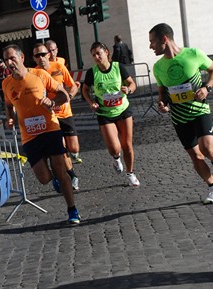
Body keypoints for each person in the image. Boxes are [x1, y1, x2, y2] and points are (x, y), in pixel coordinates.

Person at [2, 43, 80, 224]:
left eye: (12, 58)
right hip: (29, 136)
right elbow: (8, 105)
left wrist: (52, 103)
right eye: (6, 59)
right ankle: (54, 178)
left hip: (50, 128)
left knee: (61, 172)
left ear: (21, 58)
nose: (9, 62)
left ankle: (72, 210)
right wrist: (10, 118)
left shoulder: (39, 75)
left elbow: (63, 95)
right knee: (44, 178)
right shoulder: (6, 83)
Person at [149, 22, 213, 204]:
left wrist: (207, 88)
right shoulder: (158, 67)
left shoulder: (193, 54)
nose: (150, 46)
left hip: (199, 110)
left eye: (152, 41)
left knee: (207, 148)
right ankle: (211, 186)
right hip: (179, 117)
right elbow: (163, 93)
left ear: (164, 39)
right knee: (196, 156)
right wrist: (162, 104)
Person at [82, 41, 140, 187]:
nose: (96, 57)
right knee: (115, 147)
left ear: (106, 52)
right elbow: (84, 90)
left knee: (127, 145)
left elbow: (132, 83)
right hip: (104, 113)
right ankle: (116, 158)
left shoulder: (118, 67)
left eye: (98, 53)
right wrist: (91, 103)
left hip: (123, 110)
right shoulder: (92, 72)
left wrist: (129, 90)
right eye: (93, 55)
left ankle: (131, 173)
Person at [32, 43, 81, 192]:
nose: (41, 58)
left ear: (49, 54)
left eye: (43, 54)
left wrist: (69, 97)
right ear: (34, 59)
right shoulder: (34, 73)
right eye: (37, 56)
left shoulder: (59, 67)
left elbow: (73, 86)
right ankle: (72, 175)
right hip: (50, 116)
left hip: (65, 113)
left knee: (74, 148)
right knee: (61, 149)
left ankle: (68, 162)